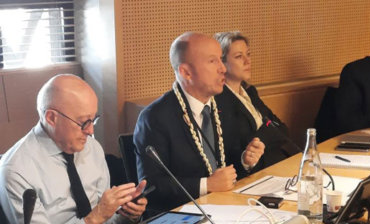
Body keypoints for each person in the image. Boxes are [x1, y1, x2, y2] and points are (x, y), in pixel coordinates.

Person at [0, 74, 147, 224]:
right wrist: (95, 217)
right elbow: (99, 216)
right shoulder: (16, 170)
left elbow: (106, 219)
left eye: (93, 120)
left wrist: (127, 215)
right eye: (83, 122)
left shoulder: (92, 148)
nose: (90, 131)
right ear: (51, 118)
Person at [134, 32, 240, 214]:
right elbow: (151, 186)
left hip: (225, 206)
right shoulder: (155, 118)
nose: (223, 68)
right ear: (185, 72)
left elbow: (228, 161)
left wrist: (246, 159)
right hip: (180, 214)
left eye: (221, 60)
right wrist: (207, 184)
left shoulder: (224, 104)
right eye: (212, 61)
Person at [214, 31, 300, 178]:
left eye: (248, 54)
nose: (247, 61)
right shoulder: (219, 101)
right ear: (222, 63)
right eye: (239, 56)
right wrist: (268, 130)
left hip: (278, 163)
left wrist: (265, 132)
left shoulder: (250, 92)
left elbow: (282, 130)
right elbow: (237, 148)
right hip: (254, 174)